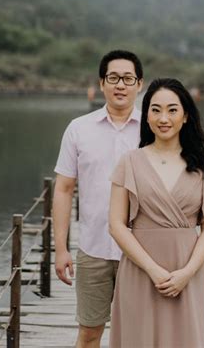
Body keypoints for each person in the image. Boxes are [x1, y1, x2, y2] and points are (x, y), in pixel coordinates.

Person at [109, 78, 204, 348]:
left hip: (189, 269)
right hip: (140, 271)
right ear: (146, 115)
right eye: (156, 109)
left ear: (185, 116)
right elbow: (116, 225)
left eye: (172, 110)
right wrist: (153, 269)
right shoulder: (129, 162)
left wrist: (187, 272)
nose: (164, 118)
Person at [53, 49, 144, 348]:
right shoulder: (79, 129)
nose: (120, 85)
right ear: (102, 83)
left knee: (138, 336)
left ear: (139, 85)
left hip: (142, 252)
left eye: (127, 78)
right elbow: (64, 189)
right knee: (90, 333)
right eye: (113, 78)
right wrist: (61, 248)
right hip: (93, 250)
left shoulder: (153, 129)